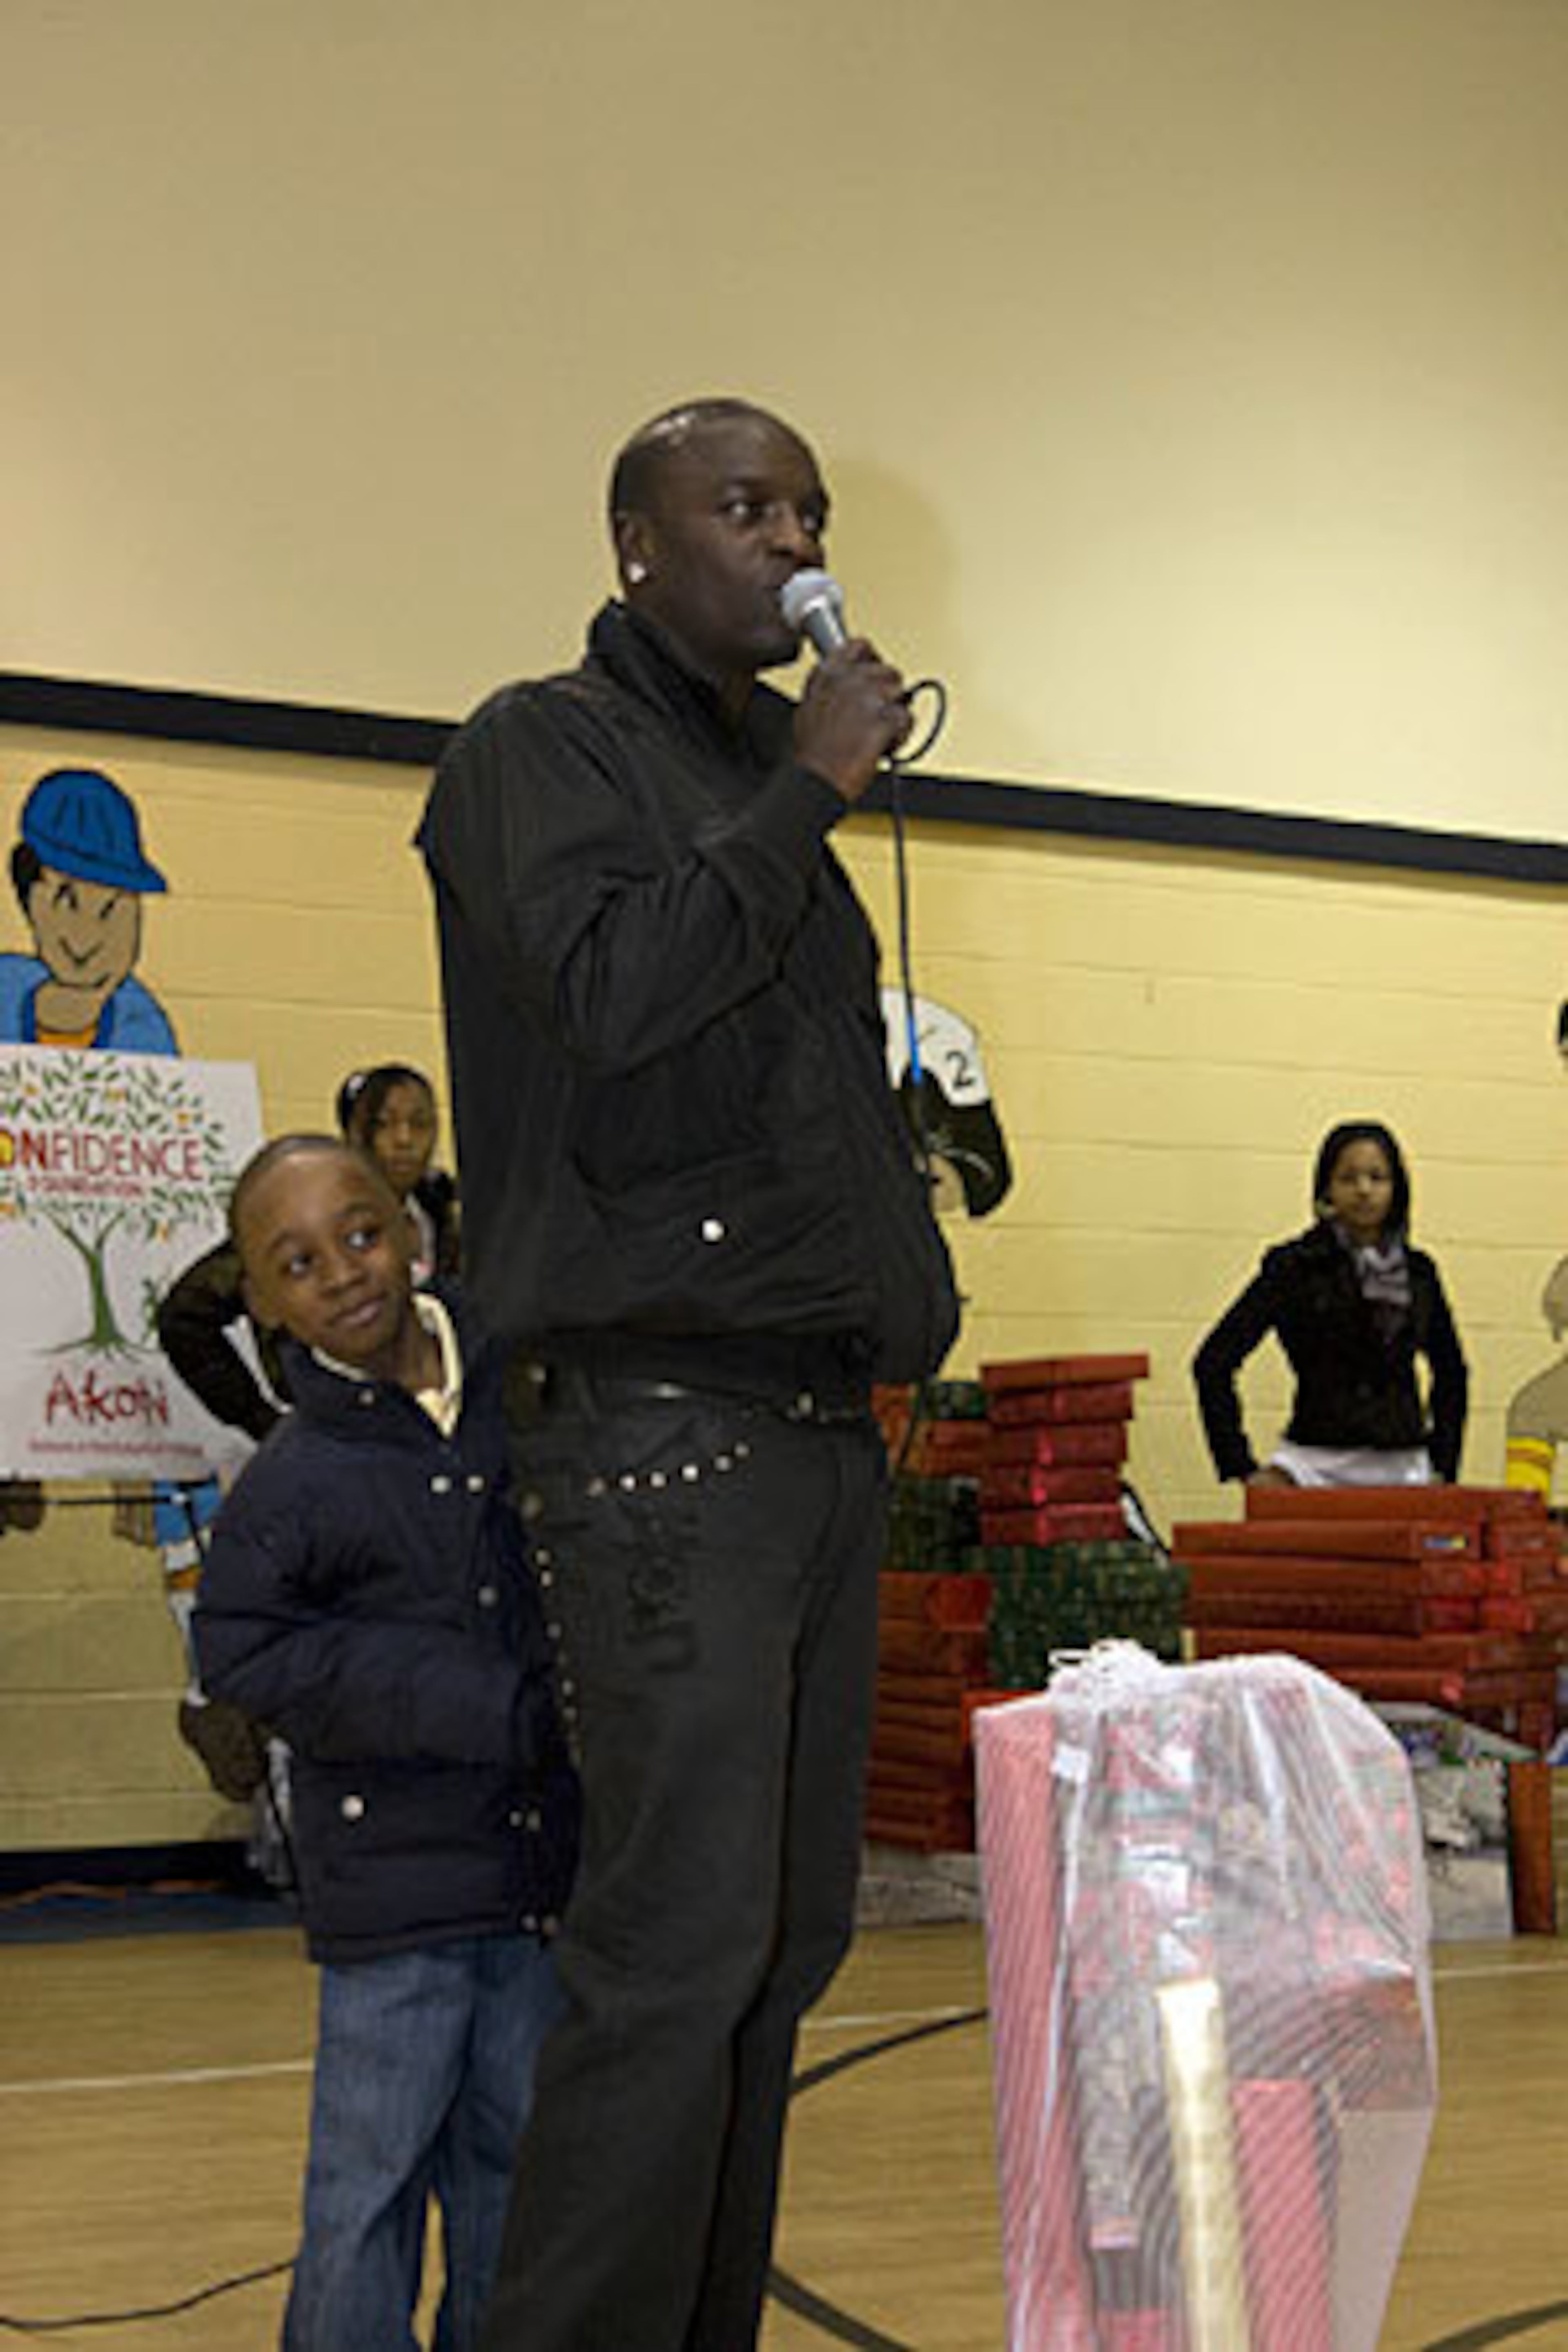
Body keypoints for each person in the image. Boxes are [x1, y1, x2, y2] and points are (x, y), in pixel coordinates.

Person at [418, 395, 960, 2351]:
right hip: (660, 1433)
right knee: (671, 1954)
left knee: (775, 1951)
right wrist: (804, 788)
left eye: (805, 506)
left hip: (811, 1438)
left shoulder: (758, 797)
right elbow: (616, 990)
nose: (790, 537)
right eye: (745, 506)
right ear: (638, 543)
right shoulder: (534, 750)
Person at [192, 1136, 576, 2352]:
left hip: (536, 1882)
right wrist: (460, 1700)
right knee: (366, 2193)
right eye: (297, 1263)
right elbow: (241, 1652)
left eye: (361, 1234)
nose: (345, 1275)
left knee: (514, 2177)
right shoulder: (293, 1480)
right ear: (262, 1301)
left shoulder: (525, 1391)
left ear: (410, 1228)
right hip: (392, 1905)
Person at [1193, 1118, 1468, 1488]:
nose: (1364, 1190)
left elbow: (1452, 1372)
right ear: (1327, 1190)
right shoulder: (1293, 1266)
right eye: (1348, 1178)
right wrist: (1239, 1465)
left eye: (1377, 1177)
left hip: (1406, 1464)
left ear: (1397, 1188)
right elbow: (1213, 1362)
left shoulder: (1420, 1273)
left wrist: (1444, 1465)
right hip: (1313, 1462)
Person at [0, 766, 177, 1049]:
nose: (87, 936)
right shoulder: (5, 991)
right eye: (66, 900)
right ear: (29, 899)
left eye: (112, 909)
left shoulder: (144, 1027)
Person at [336, 1061, 461, 1281]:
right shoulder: (334, 1221)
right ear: (354, 1135)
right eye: (384, 1124)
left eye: (420, 1124)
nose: (404, 1139)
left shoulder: (437, 1215)